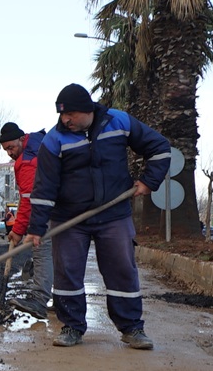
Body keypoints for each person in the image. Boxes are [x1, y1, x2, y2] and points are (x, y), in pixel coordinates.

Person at [25, 84, 171, 350]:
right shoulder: (54, 140)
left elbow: (159, 147)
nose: (65, 120)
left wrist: (149, 181)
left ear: (87, 110)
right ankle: (72, 326)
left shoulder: (119, 122)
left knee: (122, 270)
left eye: (70, 114)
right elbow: (44, 188)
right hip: (69, 218)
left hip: (114, 214)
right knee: (67, 273)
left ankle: (132, 328)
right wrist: (36, 227)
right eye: (62, 115)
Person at [0, 121, 51, 313]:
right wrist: (17, 229)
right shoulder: (39, 142)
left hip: (50, 208)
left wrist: (19, 230)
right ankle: (64, 300)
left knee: (42, 248)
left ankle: (39, 299)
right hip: (63, 204)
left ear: (22, 138)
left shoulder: (28, 161)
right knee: (60, 253)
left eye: (11, 147)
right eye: (6, 150)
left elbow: (29, 199)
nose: (10, 153)